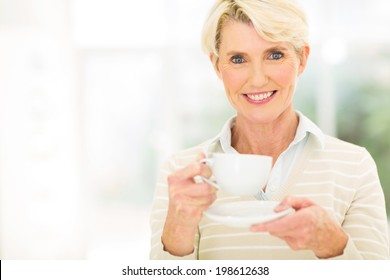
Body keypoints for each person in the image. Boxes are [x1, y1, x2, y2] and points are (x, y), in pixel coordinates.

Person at [149, 0, 390, 260]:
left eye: (274, 55)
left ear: (302, 58)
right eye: (238, 59)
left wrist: (333, 247)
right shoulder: (181, 175)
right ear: (217, 66)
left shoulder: (354, 166)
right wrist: (178, 228)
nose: (258, 79)